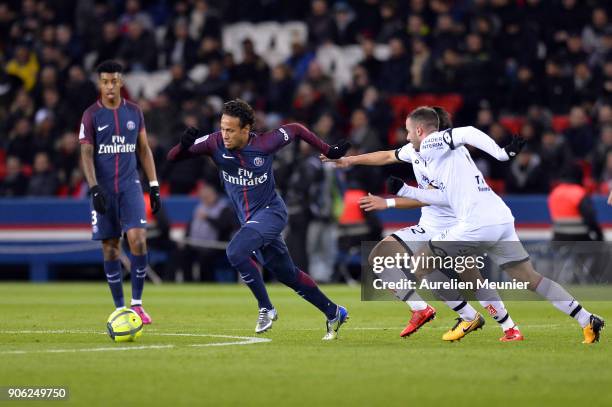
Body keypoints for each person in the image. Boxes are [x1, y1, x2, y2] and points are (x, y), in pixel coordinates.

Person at [380, 107, 603, 343]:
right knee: (530, 278)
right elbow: (441, 197)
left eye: (408, 132)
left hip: (476, 223)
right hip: (500, 217)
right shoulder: (453, 157)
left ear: (424, 130)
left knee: (421, 264)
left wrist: (501, 154)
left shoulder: (432, 146)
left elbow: (466, 131)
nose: (407, 138)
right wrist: (404, 190)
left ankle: (467, 317)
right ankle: (585, 319)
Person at [167, 99, 350, 339]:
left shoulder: (264, 143)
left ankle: (266, 307)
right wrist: (183, 145)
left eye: (230, 130)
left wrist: (328, 150)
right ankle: (334, 312)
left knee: (235, 251)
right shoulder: (213, 142)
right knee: (288, 275)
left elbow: (295, 128)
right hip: (251, 222)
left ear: (246, 129)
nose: (225, 135)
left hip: (271, 212)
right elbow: (173, 157)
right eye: (222, 128)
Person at [340, 107, 524, 342]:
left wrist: (390, 202)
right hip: (428, 225)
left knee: (471, 278)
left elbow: (433, 196)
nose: (407, 137)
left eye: (410, 132)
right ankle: (426, 310)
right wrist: (349, 160)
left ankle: (508, 327)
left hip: (456, 226)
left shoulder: (451, 157)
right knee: (380, 257)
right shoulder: (415, 150)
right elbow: (387, 156)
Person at [79, 60, 161, 324]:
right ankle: (119, 307)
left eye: (114, 81)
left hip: (130, 186)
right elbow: (86, 154)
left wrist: (154, 184)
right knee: (111, 247)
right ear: (100, 84)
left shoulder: (135, 112)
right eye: (105, 81)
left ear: (121, 82)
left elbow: (144, 150)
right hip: (103, 189)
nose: (110, 86)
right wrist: (93, 188)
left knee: (138, 239)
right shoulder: (91, 114)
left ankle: (137, 304)